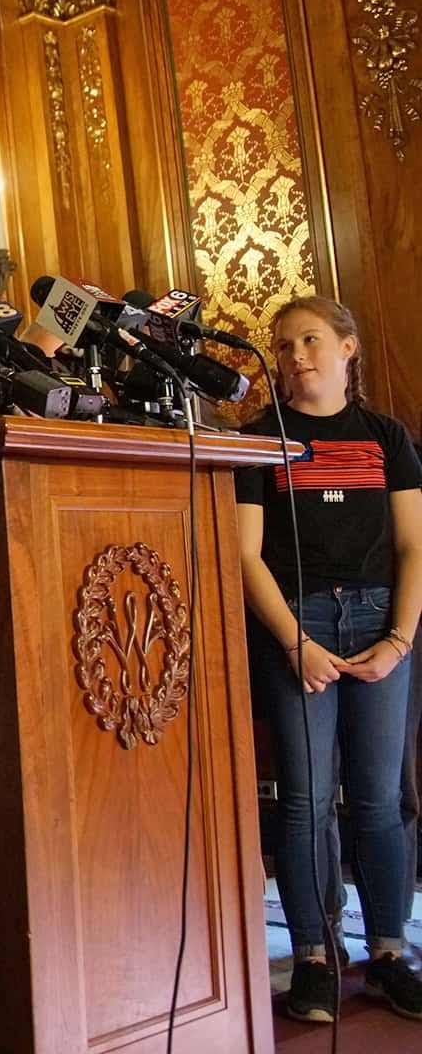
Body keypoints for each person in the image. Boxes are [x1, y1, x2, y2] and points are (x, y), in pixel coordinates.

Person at [237, 294, 422, 1024]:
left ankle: (386, 952)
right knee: (307, 799)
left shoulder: (386, 438)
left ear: (348, 347)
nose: (293, 357)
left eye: (309, 340)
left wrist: (400, 642)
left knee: (380, 798)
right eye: (282, 346)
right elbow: (245, 556)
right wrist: (295, 643)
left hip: (383, 623)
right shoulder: (259, 439)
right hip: (298, 625)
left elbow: (414, 547)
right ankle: (315, 954)